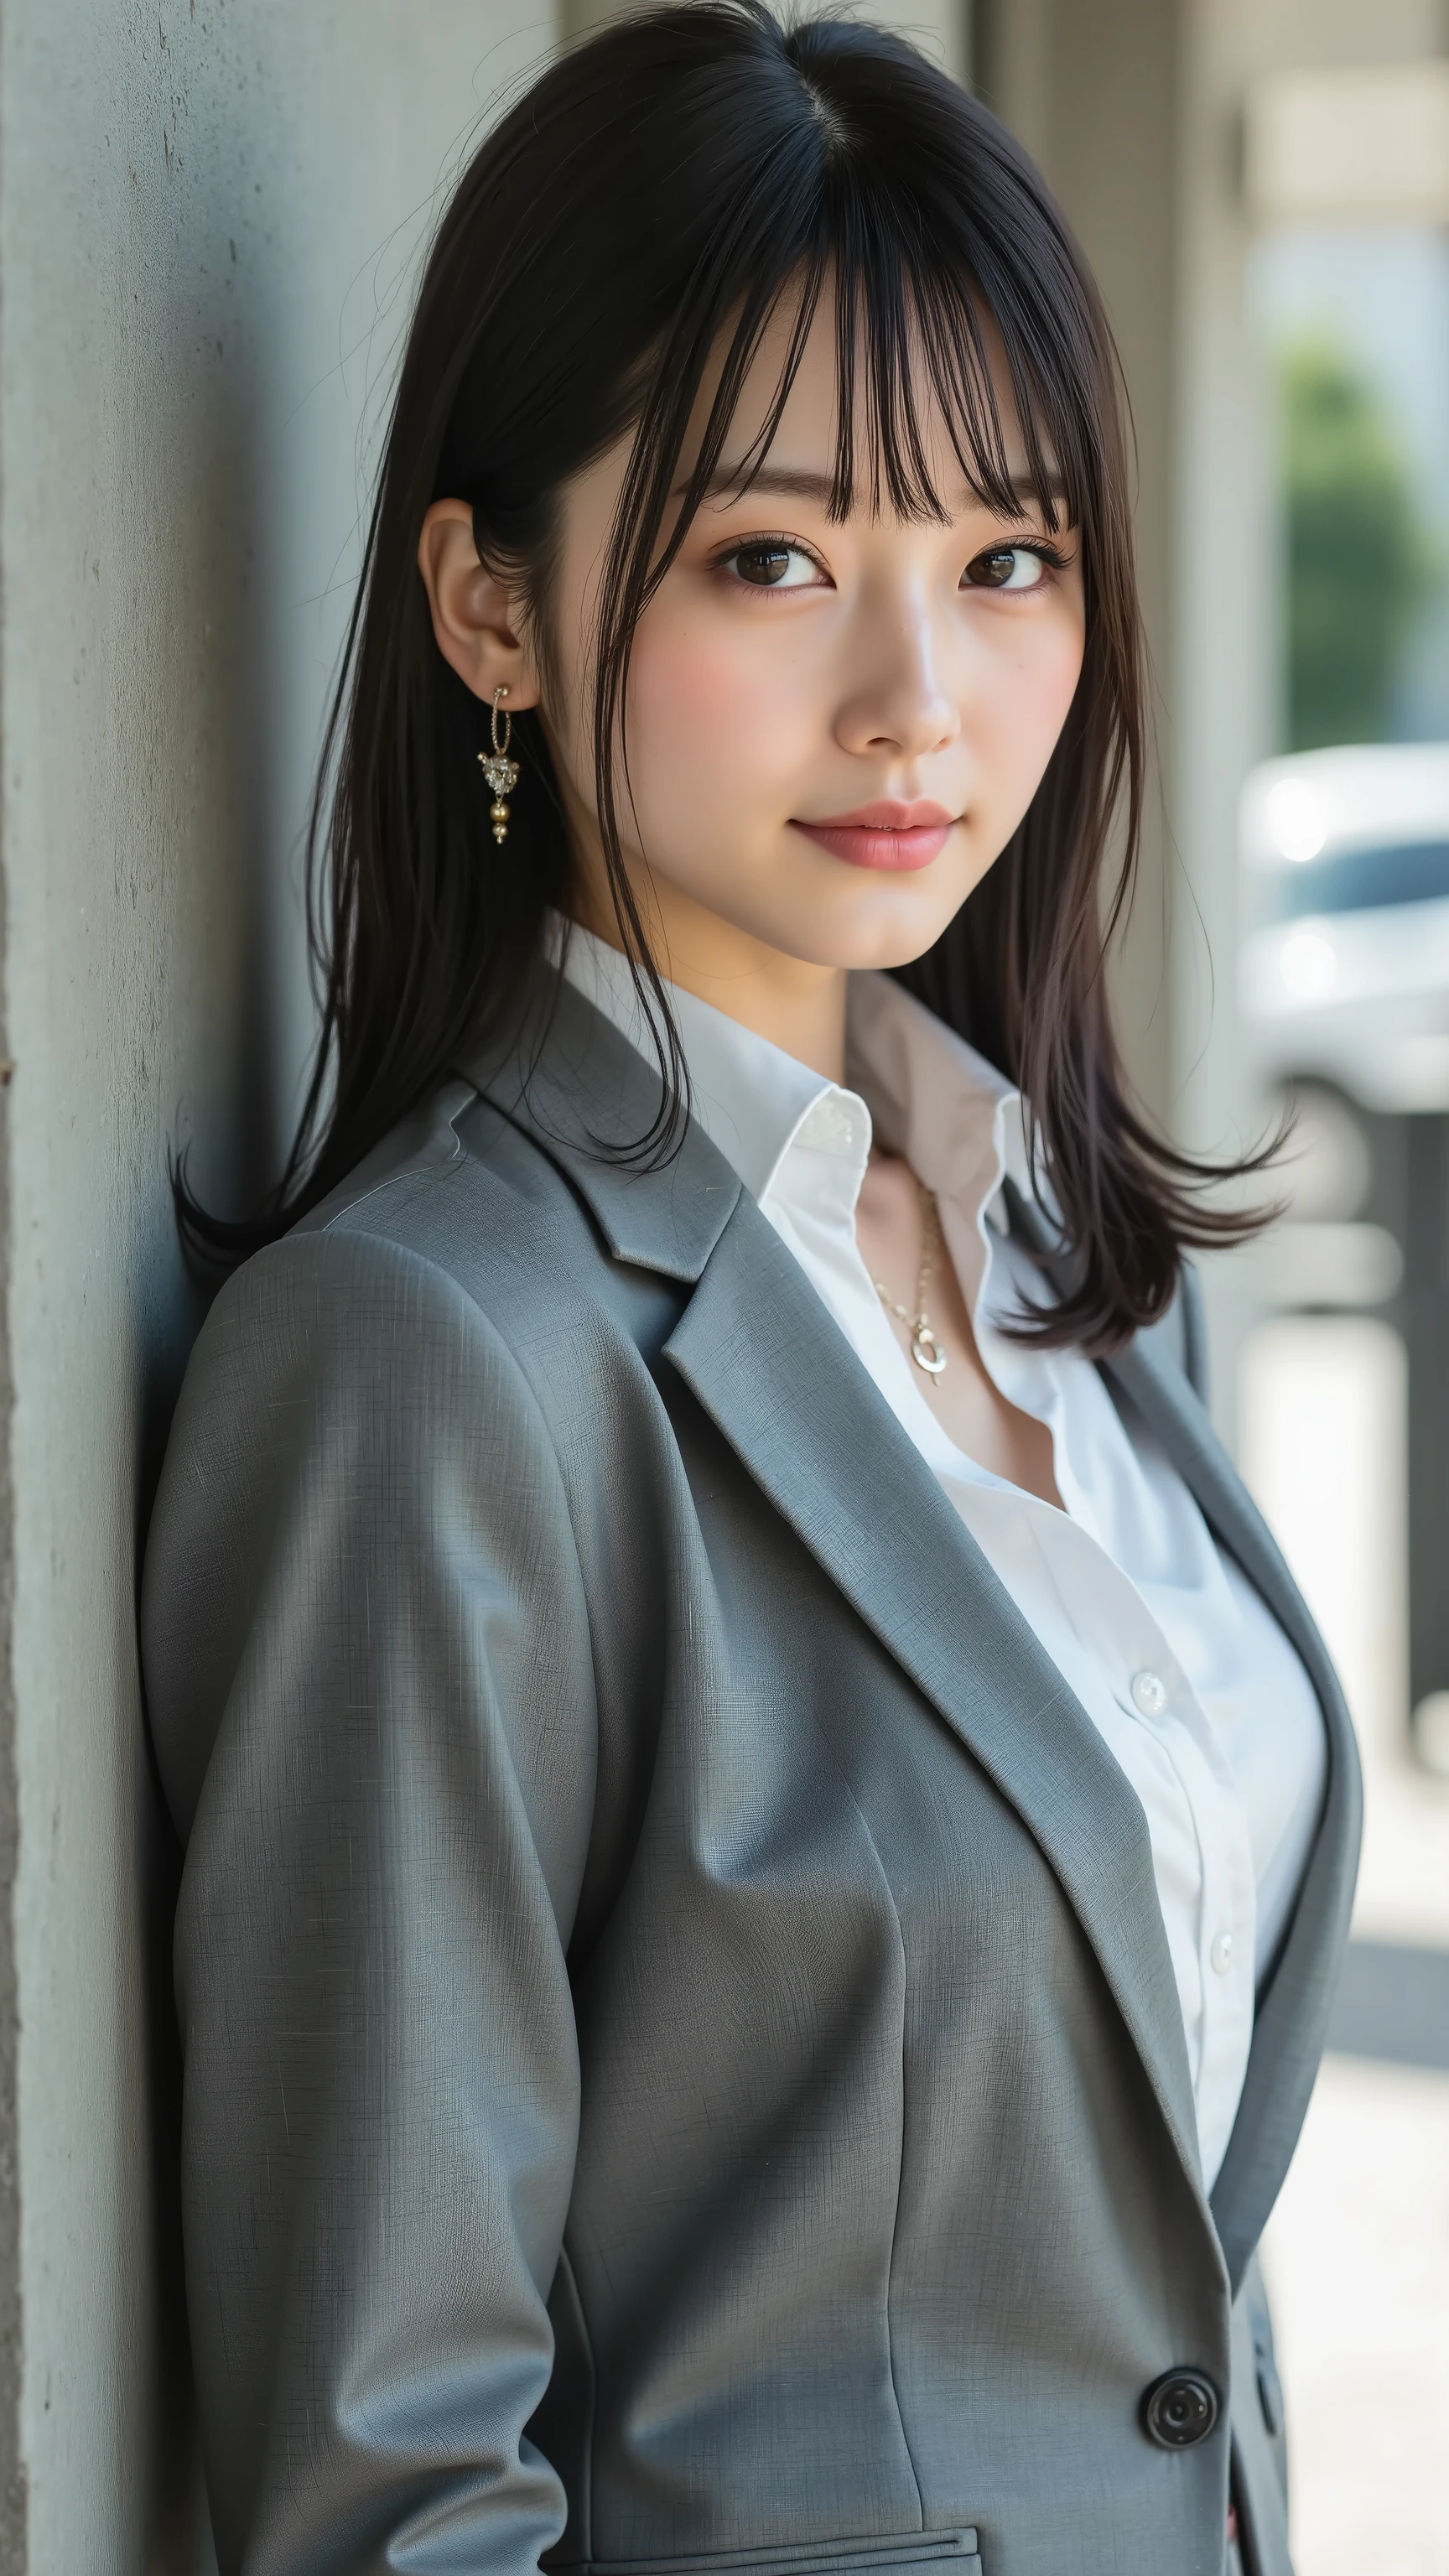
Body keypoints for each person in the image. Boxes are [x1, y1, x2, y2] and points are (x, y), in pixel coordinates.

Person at [140, 10, 1360, 2574]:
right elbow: (387, 2493)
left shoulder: (1084, 1267)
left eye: (1007, 558)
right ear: (491, 601)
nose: (921, 698)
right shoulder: (434, 1365)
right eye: (773, 558)